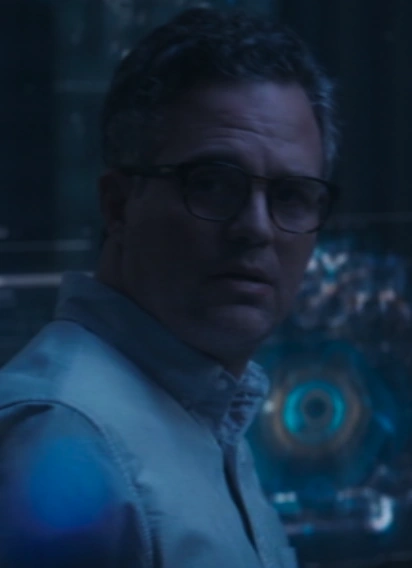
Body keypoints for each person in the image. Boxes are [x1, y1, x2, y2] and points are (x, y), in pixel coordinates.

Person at [0, 7, 339, 568]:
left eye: (292, 196)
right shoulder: (64, 440)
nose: (256, 228)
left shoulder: (205, 409)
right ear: (118, 206)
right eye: (212, 184)